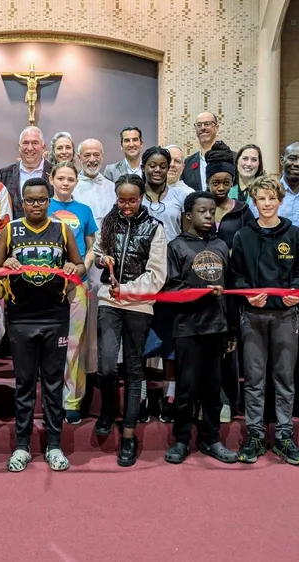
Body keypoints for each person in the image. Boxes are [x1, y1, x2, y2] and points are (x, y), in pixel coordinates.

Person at [0, 178, 85, 472]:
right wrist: (5, 265)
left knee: (54, 384)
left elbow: (80, 267)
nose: (36, 205)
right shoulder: (11, 229)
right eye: (31, 200)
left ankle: (54, 445)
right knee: (24, 385)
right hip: (21, 318)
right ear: (23, 201)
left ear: (49, 200)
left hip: (55, 317)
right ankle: (22, 446)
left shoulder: (62, 229)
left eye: (42, 200)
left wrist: (73, 268)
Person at [230, 174, 299, 466]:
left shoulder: (295, 234)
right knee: (254, 378)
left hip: (286, 316)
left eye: (271, 198)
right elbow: (235, 276)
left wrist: (296, 293)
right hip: (253, 315)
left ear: (280, 200)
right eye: (261, 199)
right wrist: (246, 295)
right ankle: (254, 434)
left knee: (284, 377)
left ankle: (284, 436)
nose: (266, 203)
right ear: (254, 202)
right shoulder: (243, 235)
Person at [91, 174, 167, 467]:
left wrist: (128, 290)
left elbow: (157, 275)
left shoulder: (155, 228)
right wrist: (102, 260)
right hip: (109, 301)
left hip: (139, 305)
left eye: (132, 200)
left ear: (142, 198)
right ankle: (109, 409)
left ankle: (129, 435)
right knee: (107, 363)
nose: (126, 205)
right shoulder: (108, 222)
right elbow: (98, 252)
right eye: (121, 200)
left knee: (135, 368)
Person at [162, 192, 239, 465]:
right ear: (188, 215)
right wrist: (200, 292)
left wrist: (231, 329)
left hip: (216, 328)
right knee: (187, 386)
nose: (208, 216)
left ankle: (211, 438)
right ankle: (181, 439)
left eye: (211, 212)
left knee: (212, 387)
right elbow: (170, 286)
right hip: (188, 327)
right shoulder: (176, 247)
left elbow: (229, 291)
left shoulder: (221, 245)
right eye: (202, 212)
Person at [204, 142, 255, 423]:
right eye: (215, 182)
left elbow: (249, 244)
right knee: (208, 344)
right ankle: (208, 399)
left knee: (230, 343)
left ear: (232, 182)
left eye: (225, 182)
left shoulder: (243, 210)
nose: (220, 187)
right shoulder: (200, 206)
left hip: (233, 287)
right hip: (206, 285)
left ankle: (228, 399)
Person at [141, 145, 188, 420]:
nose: (158, 170)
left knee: (170, 341)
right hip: (141, 276)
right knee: (143, 339)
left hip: (172, 278)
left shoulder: (180, 197)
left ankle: (169, 395)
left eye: (163, 165)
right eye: (153, 165)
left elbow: (183, 234)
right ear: (144, 167)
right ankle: (144, 396)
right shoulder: (135, 195)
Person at [48, 162, 97, 424]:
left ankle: (72, 401)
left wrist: (82, 268)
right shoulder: (44, 207)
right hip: (47, 285)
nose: (66, 183)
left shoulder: (84, 210)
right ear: (52, 179)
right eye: (61, 179)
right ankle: (50, 396)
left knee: (74, 343)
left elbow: (92, 246)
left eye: (70, 179)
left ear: (76, 182)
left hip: (78, 283)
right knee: (49, 343)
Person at [74, 138, 118, 378]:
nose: (92, 159)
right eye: (87, 155)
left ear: (103, 156)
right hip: (82, 261)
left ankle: (105, 367)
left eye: (96, 155)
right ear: (79, 158)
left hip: (108, 260)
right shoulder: (73, 187)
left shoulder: (112, 187)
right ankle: (84, 368)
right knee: (84, 318)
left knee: (105, 314)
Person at [250, 142, 299, 249]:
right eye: (292, 158)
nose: (298, 163)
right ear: (282, 160)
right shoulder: (264, 195)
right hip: (270, 260)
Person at [0, 126, 52, 219]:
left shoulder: (54, 172)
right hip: (14, 231)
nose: (30, 148)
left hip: (48, 231)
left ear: (43, 148)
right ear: (19, 147)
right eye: (25, 143)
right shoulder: (4, 174)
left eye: (35, 143)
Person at [182, 111, 220, 191]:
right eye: (199, 125)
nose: (203, 128)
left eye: (207, 124)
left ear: (216, 128)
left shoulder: (232, 159)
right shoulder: (187, 164)